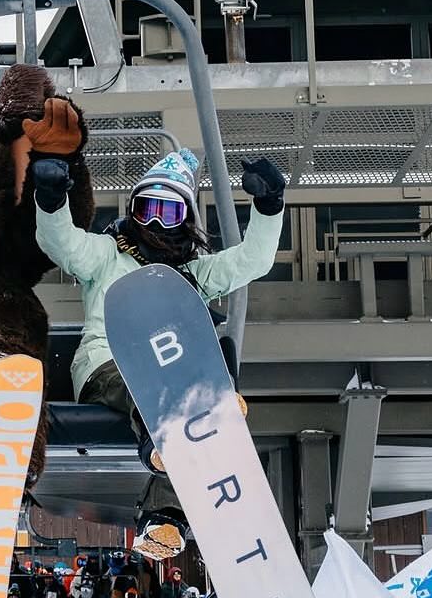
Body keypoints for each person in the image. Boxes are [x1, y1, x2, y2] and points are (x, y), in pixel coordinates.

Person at [33, 147, 286, 558]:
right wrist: (51, 198)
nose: (154, 222)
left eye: (166, 214)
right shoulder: (106, 255)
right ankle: (178, 427)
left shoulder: (191, 274)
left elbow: (252, 261)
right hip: (108, 367)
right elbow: (61, 243)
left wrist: (269, 204)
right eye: (147, 209)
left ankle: (164, 519)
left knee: (190, 394)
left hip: (171, 375)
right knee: (171, 399)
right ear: (131, 212)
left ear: (183, 221)